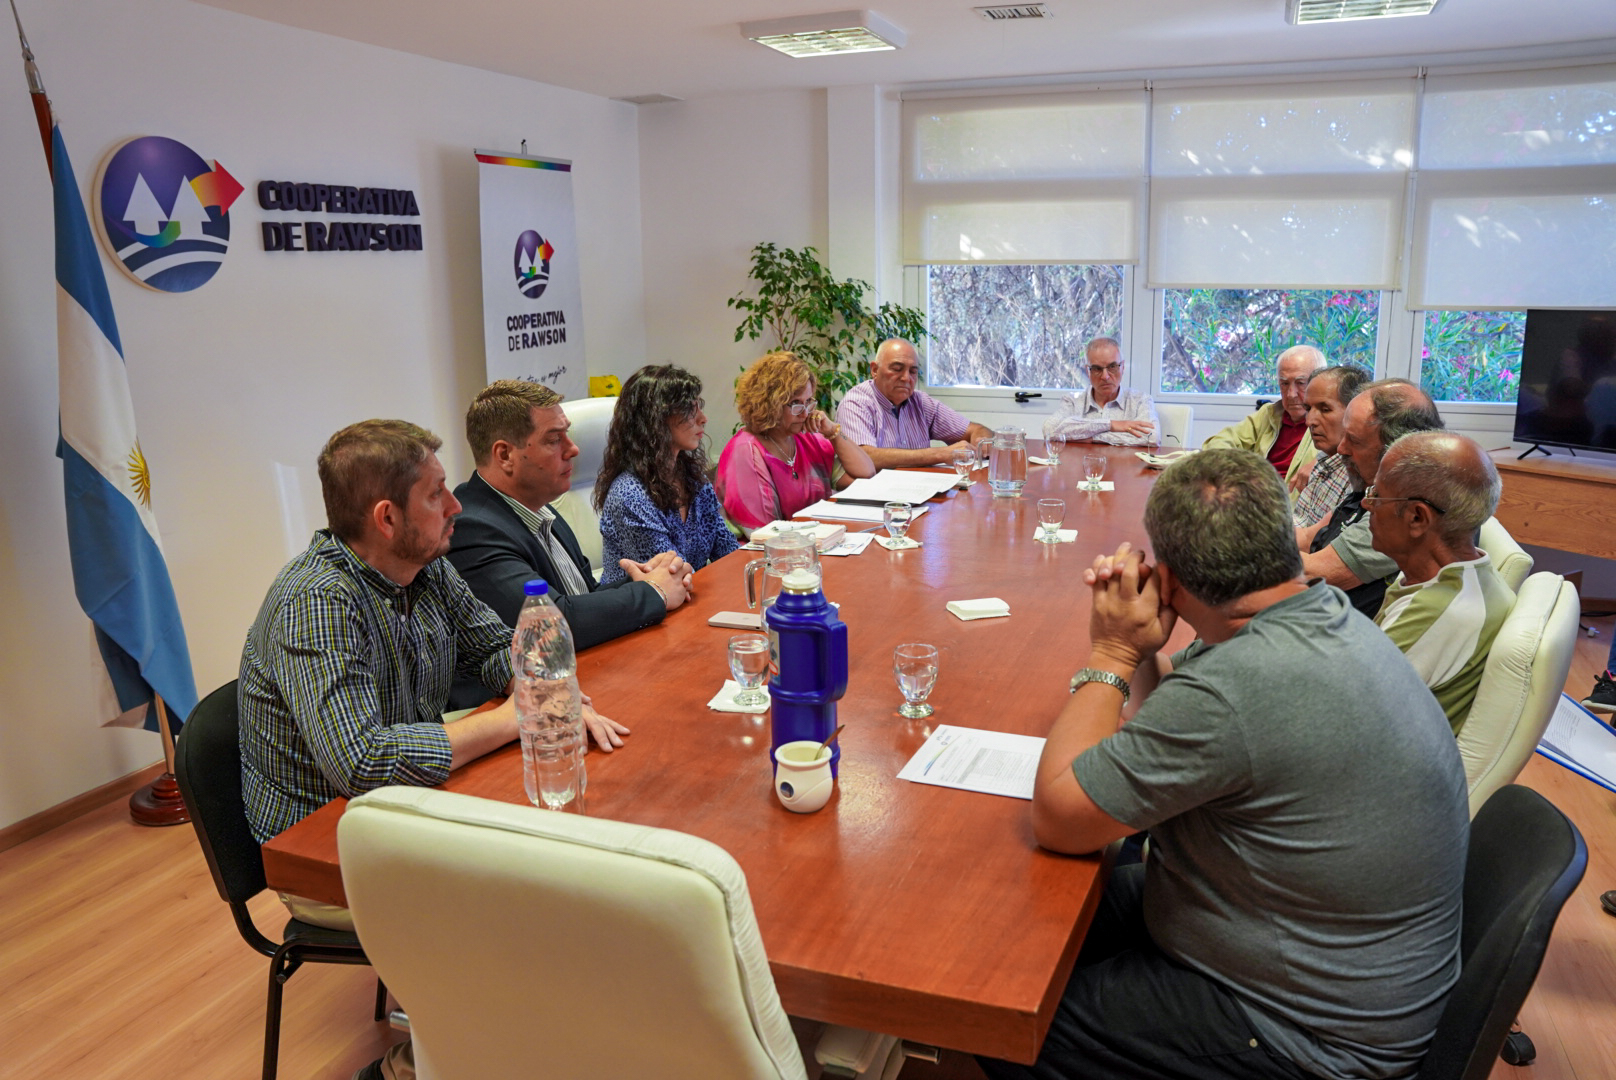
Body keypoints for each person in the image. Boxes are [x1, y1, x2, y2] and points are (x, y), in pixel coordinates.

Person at [979, 448, 1467, 1080]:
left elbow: (1059, 817)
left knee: (1004, 1017)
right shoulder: (1317, 615)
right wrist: (1146, 645)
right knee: (1016, 927)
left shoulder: (1242, 686)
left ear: (1174, 579)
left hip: (1306, 1036)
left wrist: (1112, 651)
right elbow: (1183, 723)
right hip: (1331, 963)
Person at [447, 381, 693, 699]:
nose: (572, 449)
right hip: (517, 709)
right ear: (505, 454)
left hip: (581, 677)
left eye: (568, 434)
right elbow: (553, 623)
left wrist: (645, 579)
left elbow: (581, 597)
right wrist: (653, 592)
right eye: (554, 439)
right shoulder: (472, 527)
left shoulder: (540, 507)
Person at [1368, 431, 1514, 735]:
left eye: (1378, 495)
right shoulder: (1464, 574)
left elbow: (1341, 714)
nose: (1368, 504)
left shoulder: (1435, 612)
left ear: (1417, 518)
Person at [1297, 379, 1444, 619]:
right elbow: (1305, 537)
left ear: (1396, 450)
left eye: (1354, 441)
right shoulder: (1370, 485)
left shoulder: (1401, 513)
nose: (1341, 449)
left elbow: (1308, 576)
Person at [594, 364, 738, 584]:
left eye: (698, 406)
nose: (703, 418)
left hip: (692, 600)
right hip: (644, 614)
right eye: (690, 409)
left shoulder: (693, 479)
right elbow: (670, 581)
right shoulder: (630, 495)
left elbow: (729, 553)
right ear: (656, 419)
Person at [715, 350, 876, 534]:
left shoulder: (808, 437)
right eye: (795, 403)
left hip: (812, 543)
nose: (805, 413)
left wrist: (833, 432)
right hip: (764, 554)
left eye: (808, 402)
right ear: (770, 404)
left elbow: (866, 474)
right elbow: (765, 533)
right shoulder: (746, 451)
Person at [835, 338, 993, 468]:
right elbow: (865, 457)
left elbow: (976, 429)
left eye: (913, 371)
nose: (906, 378)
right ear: (875, 370)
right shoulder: (855, 403)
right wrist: (941, 454)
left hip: (920, 492)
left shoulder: (921, 402)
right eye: (897, 369)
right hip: (875, 498)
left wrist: (982, 439)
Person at [1201, 345, 1327, 489]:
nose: (1291, 394)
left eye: (1300, 383)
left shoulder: (1330, 421)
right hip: (1255, 496)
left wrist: (1323, 462)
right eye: (1284, 384)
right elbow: (1217, 443)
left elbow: (1349, 455)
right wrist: (1242, 474)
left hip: (1292, 505)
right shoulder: (1269, 414)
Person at [1292, 363, 1372, 527]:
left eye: (1325, 409)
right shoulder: (1324, 461)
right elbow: (1299, 524)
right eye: (1308, 408)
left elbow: (1315, 544)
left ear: (1354, 411)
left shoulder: (1358, 476)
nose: (1309, 421)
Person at [1048, 337, 1159, 445]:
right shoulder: (1072, 401)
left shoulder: (1140, 401)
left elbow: (1152, 437)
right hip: (1081, 463)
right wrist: (1111, 425)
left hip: (1124, 463)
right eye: (1097, 369)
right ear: (1088, 371)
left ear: (1123, 367)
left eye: (1112, 366)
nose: (1105, 376)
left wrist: (1092, 438)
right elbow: (1050, 430)